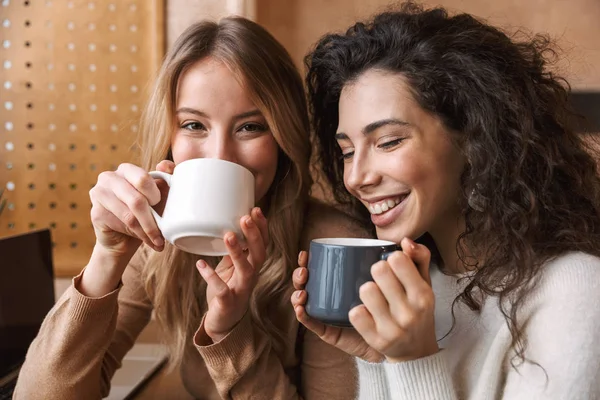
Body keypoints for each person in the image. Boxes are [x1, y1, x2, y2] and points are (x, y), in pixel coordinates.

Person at [14, 17, 370, 399]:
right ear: (169, 135)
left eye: (250, 127)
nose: (221, 156)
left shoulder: (335, 247)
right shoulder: (159, 234)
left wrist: (229, 334)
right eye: (194, 125)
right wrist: (107, 256)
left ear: (283, 136)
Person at [291, 3, 600, 399]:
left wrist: (414, 361)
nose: (356, 178)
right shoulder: (415, 292)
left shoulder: (575, 290)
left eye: (388, 142)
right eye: (348, 151)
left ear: (474, 139)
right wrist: (378, 357)